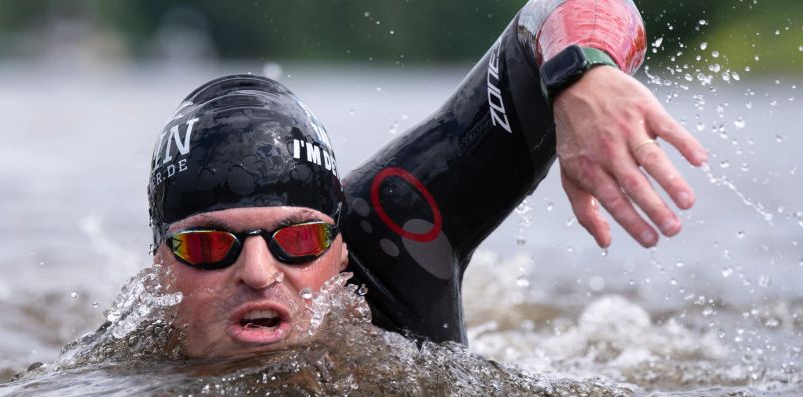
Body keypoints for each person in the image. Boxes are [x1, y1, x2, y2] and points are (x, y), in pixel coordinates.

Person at [149, 0, 707, 357]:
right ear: (159, 269)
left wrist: (581, 74)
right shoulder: (108, 380)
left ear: (342, 249)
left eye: (298, 240)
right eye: (207, 246)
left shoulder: (390, 233)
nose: (258, 272)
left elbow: (574, 5)